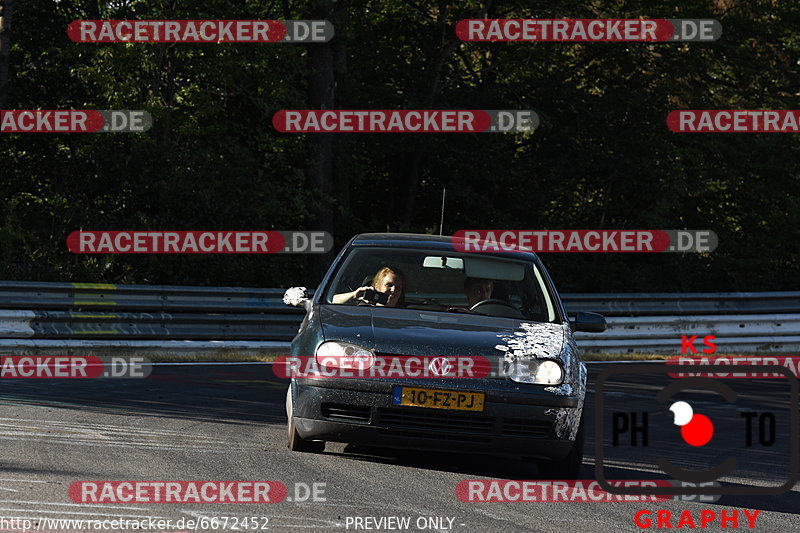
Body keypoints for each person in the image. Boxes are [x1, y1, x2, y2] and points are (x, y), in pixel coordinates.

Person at [332, 266, 406, 308]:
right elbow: (330, 301)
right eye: (389, 285)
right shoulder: (362, 308)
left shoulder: (407, 314)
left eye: (398, 287)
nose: (393, 290)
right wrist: (354, 295)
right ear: (376, 286)